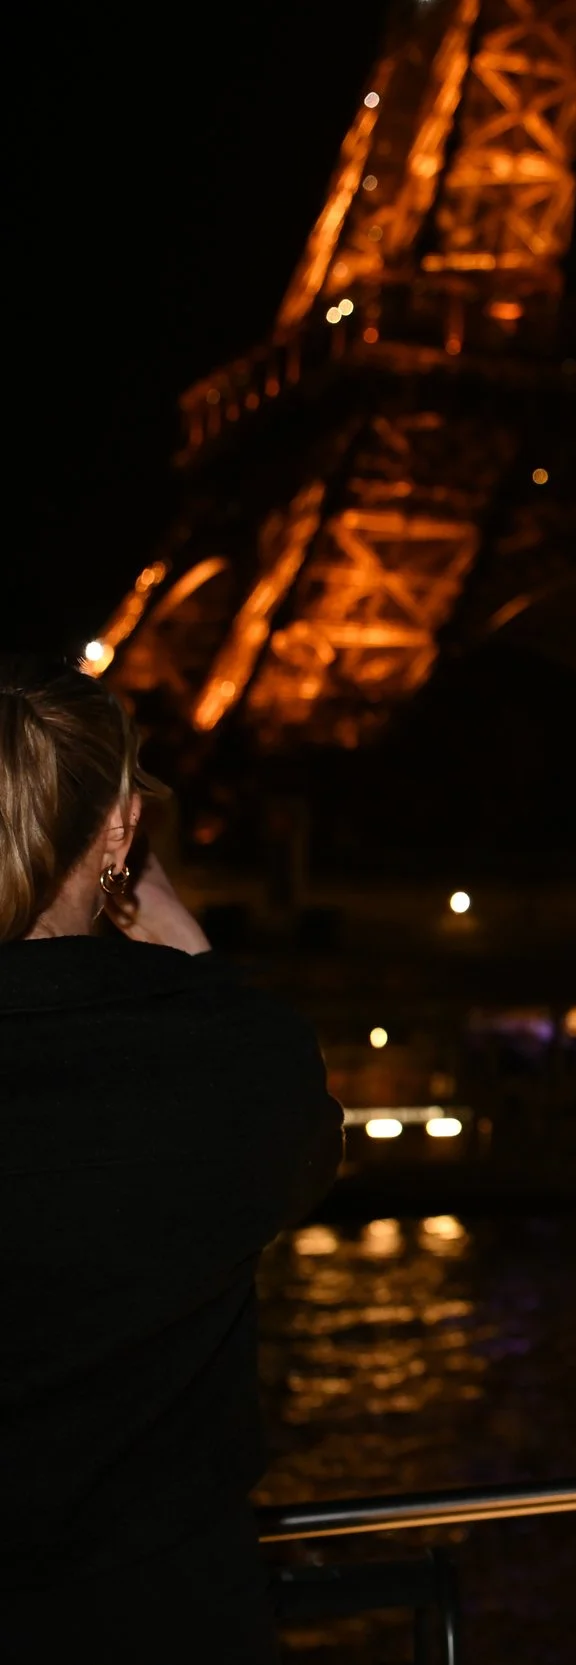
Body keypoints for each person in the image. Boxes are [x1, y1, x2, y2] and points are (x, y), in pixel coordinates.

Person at [0, 658, 342, 1664]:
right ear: (119, 825)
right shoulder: (239, 1063)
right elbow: (299, 1137)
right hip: (170, 1620)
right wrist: (144, 889)